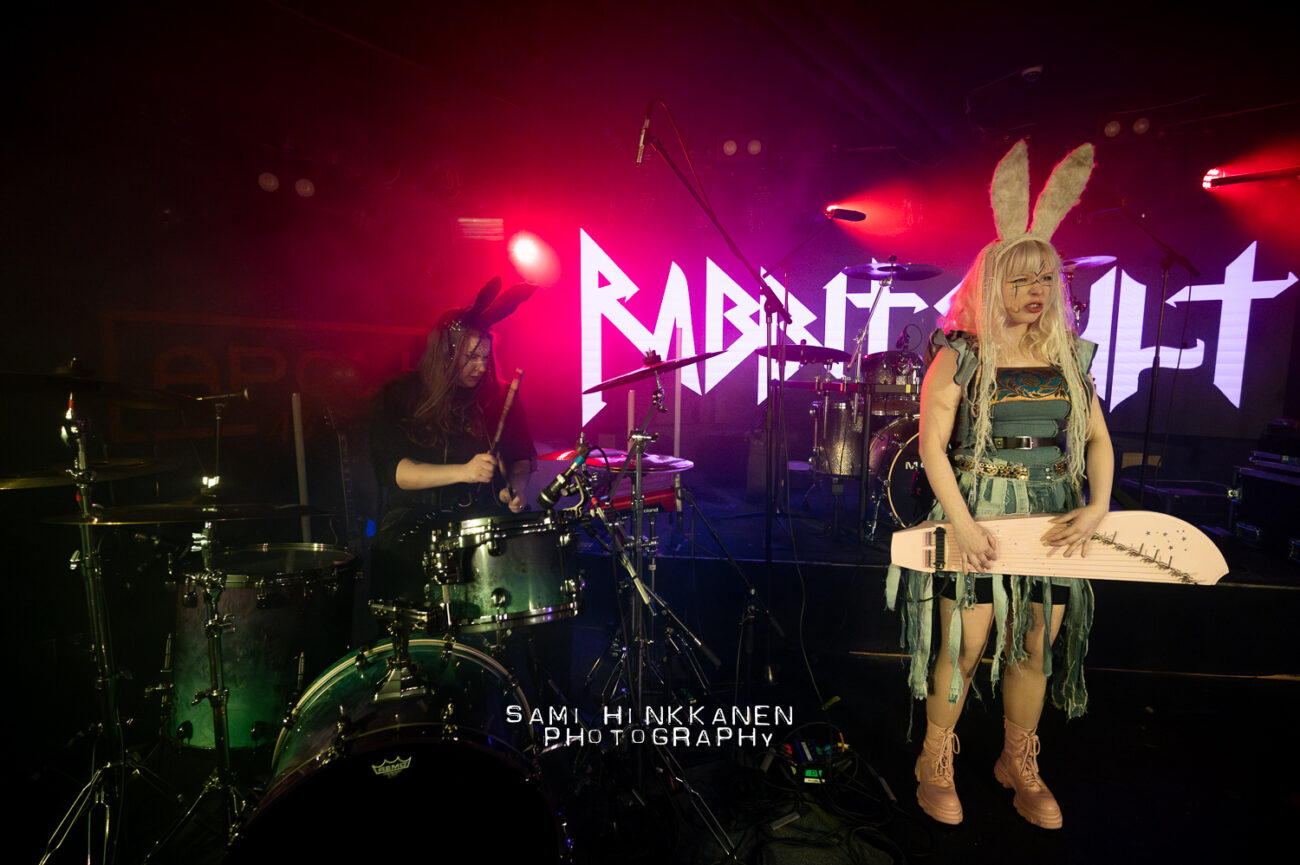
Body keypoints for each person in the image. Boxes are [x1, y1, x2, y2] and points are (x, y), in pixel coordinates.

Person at [885, 141, 1113, 830]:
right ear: (990, 284)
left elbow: (1097, 440)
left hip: (1053, 513)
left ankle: (1018, 762)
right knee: (965, 643)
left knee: (1037, 641)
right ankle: (934, 761)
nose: (1035, 290)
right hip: (978, 509)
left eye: (1044, 277)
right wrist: (960, 521)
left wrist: (1098, 505)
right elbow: (931, 447)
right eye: (1020, 280)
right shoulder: (960, 353)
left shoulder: (1068, 356)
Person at [369, 278, 538, 605]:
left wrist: (516, 488)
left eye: (485, 357)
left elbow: (519, 456)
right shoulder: (401, 394)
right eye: (471, 357)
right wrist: (464, 472)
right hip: (417, 524)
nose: (481, 366)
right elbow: (394, 472)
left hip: (486, 519)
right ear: (445, 354)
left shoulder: (498, 397)